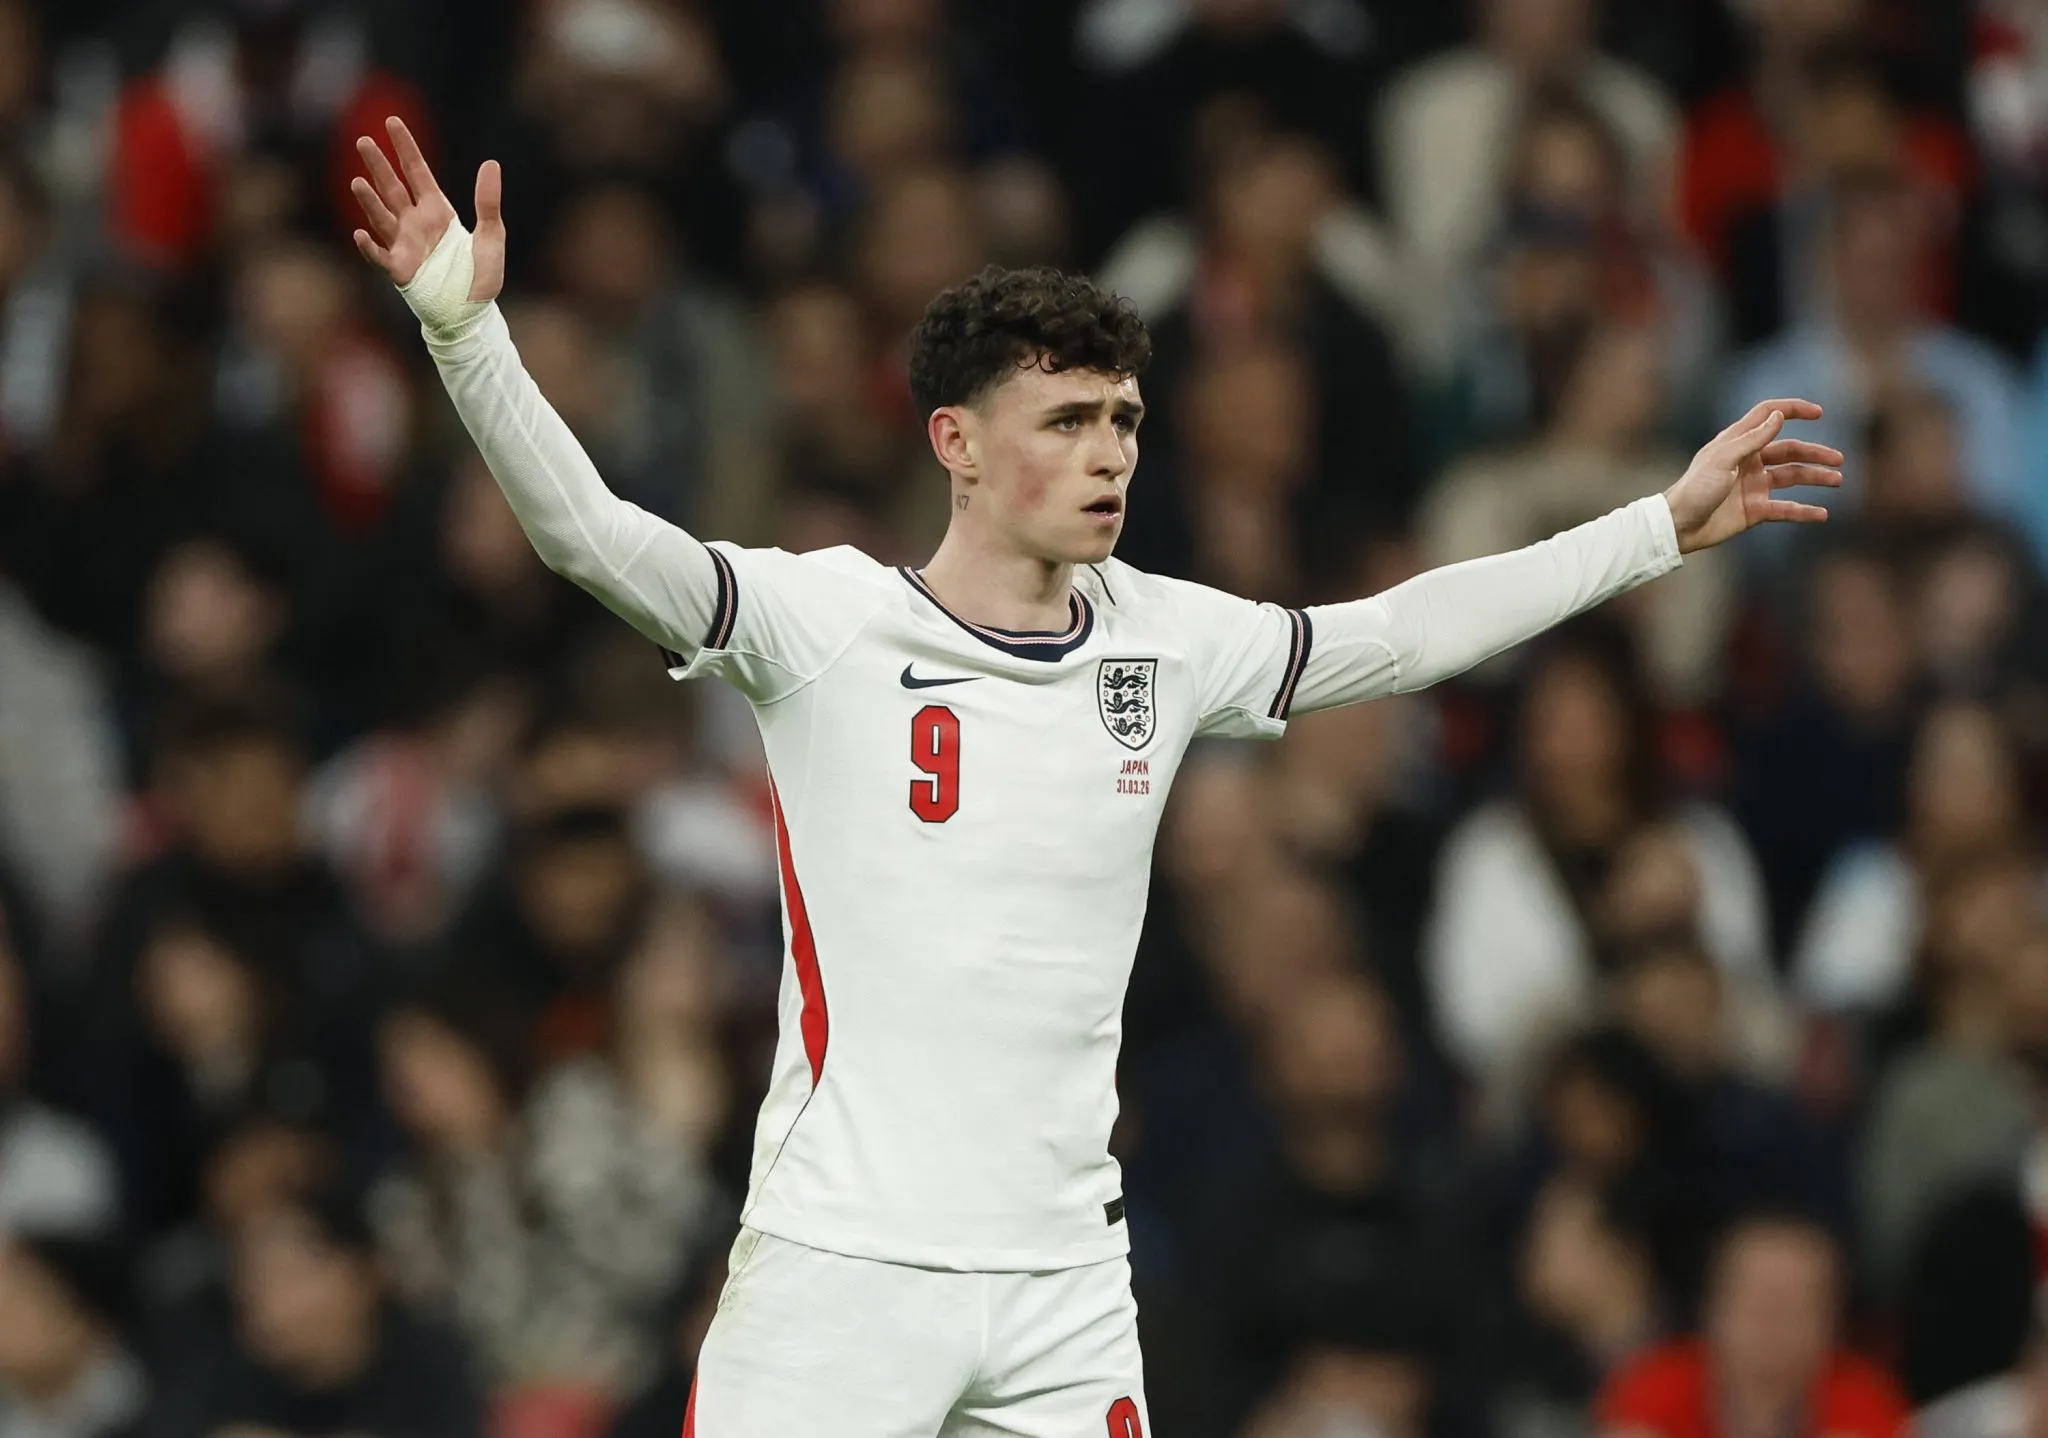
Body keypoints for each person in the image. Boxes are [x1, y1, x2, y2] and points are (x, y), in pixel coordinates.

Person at [348, 113, 1841, 1436]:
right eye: (1067, 421)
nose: (1111, 452)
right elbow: (593, 537)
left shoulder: (1164, 640)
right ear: (957, 443)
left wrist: (1658, 525)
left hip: (1062, 1279)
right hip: (842, 1267)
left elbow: (1399, 634)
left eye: (1123, 419)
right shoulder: (826, 624)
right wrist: (466, 335)